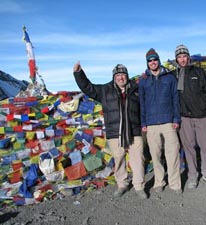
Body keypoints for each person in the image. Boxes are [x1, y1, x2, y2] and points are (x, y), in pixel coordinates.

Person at [73, 62, 147, 199]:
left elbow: (145, 107)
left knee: (138, 160)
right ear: (114, 77)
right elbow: (88, 88)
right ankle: (122, 184)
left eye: (123, 75)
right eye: (118, 75)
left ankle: (139, 186)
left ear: (127, 76)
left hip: (135, 131)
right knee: (119, 160)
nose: (121, 78)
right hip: (115, 133)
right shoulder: (105, 90)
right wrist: (79, 73)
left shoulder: (136, 89)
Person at [174, 44, 206, 189]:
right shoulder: (173, 75)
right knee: (189, 147)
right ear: (176, 59)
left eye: (184, 56)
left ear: (188, 57)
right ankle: (192, 176)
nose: (182, 59)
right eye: (179, 57)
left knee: (205, 145)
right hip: (184, 117)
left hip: (201, 115)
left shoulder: (199, 72)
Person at [139, 48, 182, 194]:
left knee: (173, 152)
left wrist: (176, 118)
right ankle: (159, 181)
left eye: (154, 59)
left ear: (158, 60)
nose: (152, 62)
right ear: (147, 63)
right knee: (155, 155)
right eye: (150, 61)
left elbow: (176, 99)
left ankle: (175, 183)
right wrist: (143, 123)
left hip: (168, 121)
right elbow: (142, 103)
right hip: (151, 124)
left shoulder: (170, 78)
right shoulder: (143, 81)